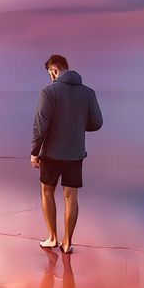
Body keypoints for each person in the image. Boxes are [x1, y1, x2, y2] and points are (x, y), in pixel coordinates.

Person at [30, 54, 103, 253]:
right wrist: (77, 124)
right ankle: (68, 242)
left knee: (47, 192)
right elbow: (96, 123)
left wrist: (34, 152)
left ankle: (52, 238)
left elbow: (40, 127)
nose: (50, 78)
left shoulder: (49, 92)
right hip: (75, 153)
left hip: (51, 154)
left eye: (49, 74)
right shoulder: (88, 93)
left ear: (53, 70)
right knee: (71, 196)